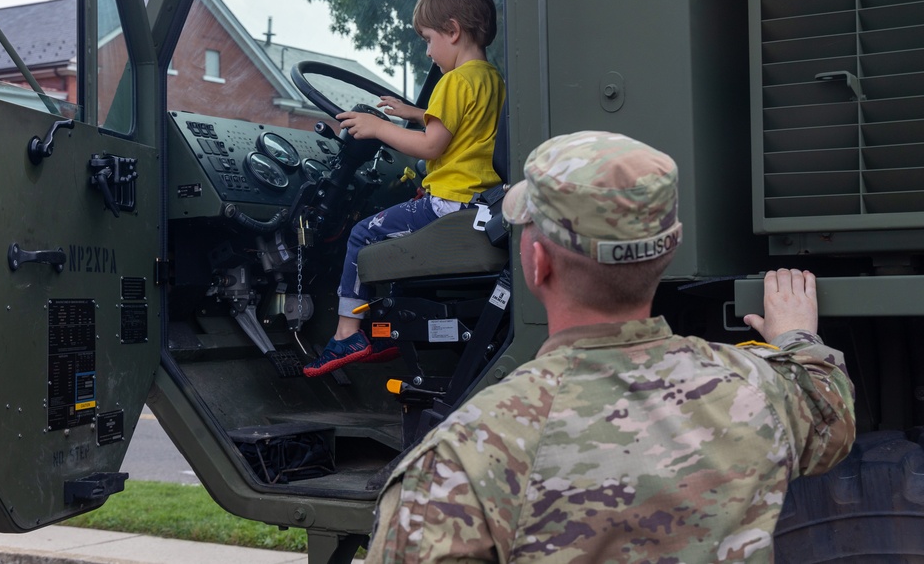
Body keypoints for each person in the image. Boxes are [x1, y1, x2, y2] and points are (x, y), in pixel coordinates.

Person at [364, 131, 856, 563]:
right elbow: (827, 408)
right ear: (670, 248)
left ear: (538, 265)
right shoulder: (758, 392)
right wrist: (797, 335)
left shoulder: (462, 458)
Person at [303, 0, 505, 378]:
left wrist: (378, 128)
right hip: (479, 202)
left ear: (452, 30)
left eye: (429, 39)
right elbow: (464, 126)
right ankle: (388, 331)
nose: (429, 52)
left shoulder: (453, 81)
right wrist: (413, 113)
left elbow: (432, 146)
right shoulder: (491, 78)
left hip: (447, 202)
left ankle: (347, 334)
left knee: (363, 234)